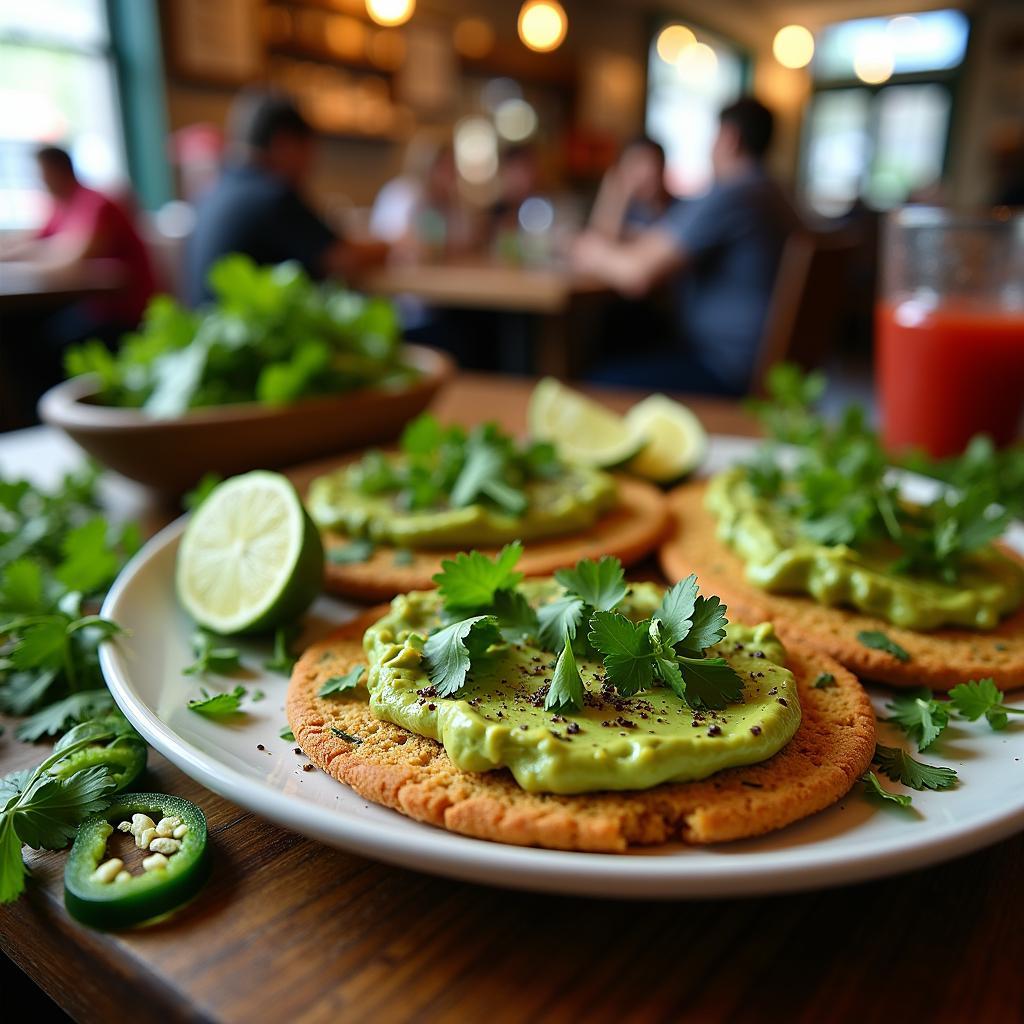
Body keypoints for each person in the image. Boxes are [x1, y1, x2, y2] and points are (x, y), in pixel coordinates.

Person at [573, 97, 800, 396]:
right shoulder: (774, 194)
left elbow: (637, 275)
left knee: (593, 379)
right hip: (757, 363)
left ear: (729, 139)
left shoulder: (732, 194)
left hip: (724, 367)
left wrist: (589, 249)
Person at [186, 89, 384, 306]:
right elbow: (343, 260)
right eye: (309, 151)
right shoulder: (272, 195)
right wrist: (389, 247)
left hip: (208, 331)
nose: (311, 166)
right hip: (255, 338)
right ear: (284, 144)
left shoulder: (213, 192)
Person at [1, 145, 157, 336]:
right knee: (21, 327)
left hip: (120, 308)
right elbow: (33, 242)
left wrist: (39, 254)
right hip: (89, 304)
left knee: (39, 336)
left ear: (58, 171)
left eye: (42, 174)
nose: (40, 181)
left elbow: (75, 258)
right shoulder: (61, 207)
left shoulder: (96, 204)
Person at [588, 136, 675, 240]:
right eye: (636, 164)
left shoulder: (679, 211)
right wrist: (612, 193)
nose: (644, 174)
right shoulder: (628, 208)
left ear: (662, 169)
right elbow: (595, 241)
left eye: (651, 165)